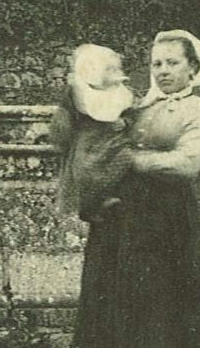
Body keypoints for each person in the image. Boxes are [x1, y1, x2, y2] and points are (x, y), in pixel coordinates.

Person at [70, 29, 200, 348]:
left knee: (174, 305)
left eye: (173, 63)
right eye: (157, 63)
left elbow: (187, 164)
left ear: (193, 68)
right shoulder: (137, 108)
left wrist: (130, 160)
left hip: (168, 221)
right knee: (124, 302)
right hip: (124, 218)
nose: (163, 71)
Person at [49, 44, 135, 222]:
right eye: (109, 69)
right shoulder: (80, 92)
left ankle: (107, 197)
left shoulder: (122, 92)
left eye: (116, 69)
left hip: (115, 141)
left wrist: (125, 122)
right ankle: (90, 205)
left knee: (126, 158)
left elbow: (134, 114)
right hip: (89, 141)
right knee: (85, 169)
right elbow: (65, 119)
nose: (114, 72)